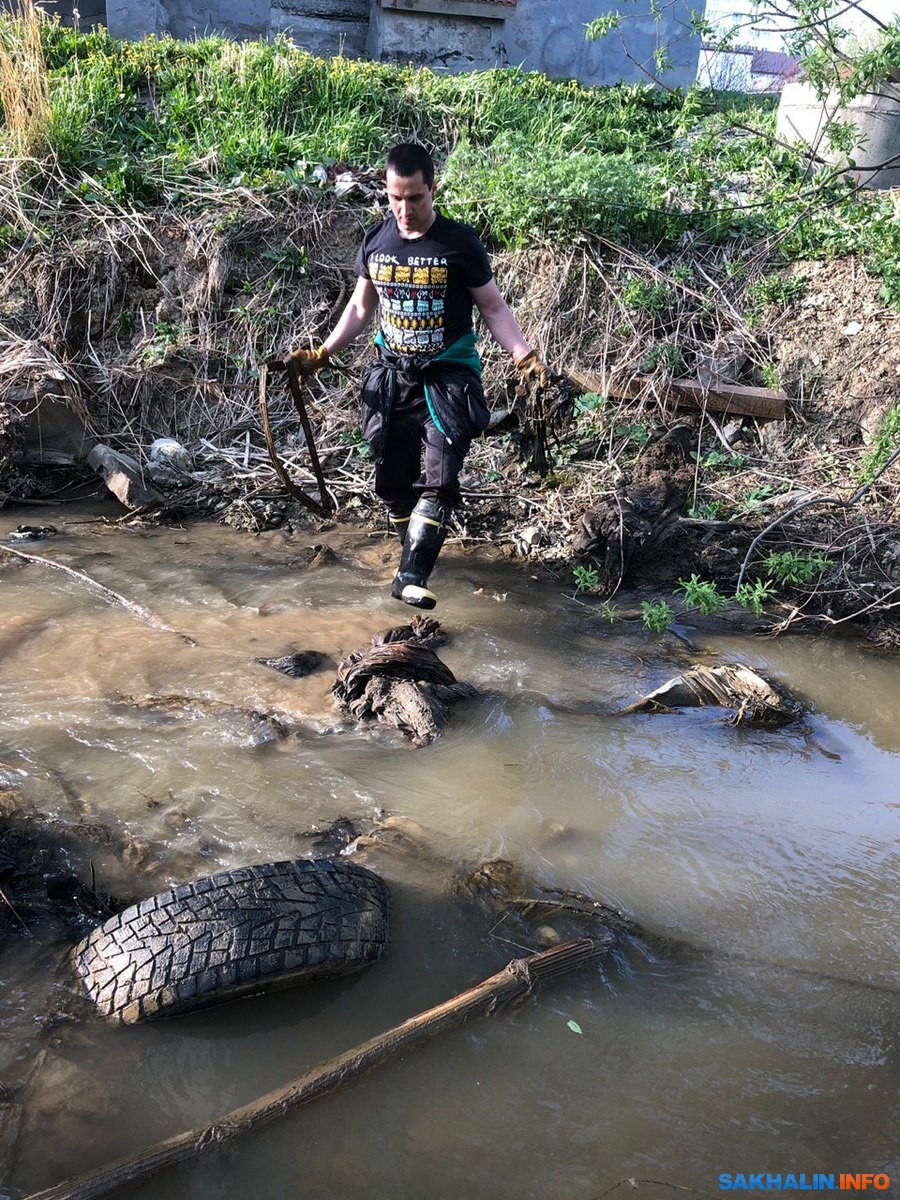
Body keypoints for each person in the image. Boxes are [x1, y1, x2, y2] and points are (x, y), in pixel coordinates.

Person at [285, 142, 549, 610]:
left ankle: (410, 575)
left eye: (415, 198)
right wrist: (322, 353)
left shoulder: (459, 243)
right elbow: (361, 307)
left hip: (448, 378)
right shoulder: (377, 241)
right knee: (390, 481)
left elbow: (492, 307)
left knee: (440, 478)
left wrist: (523, 355)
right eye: (395, 198)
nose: (404, 210)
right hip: (391, 379)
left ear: (432, 189)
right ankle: (416, 546)